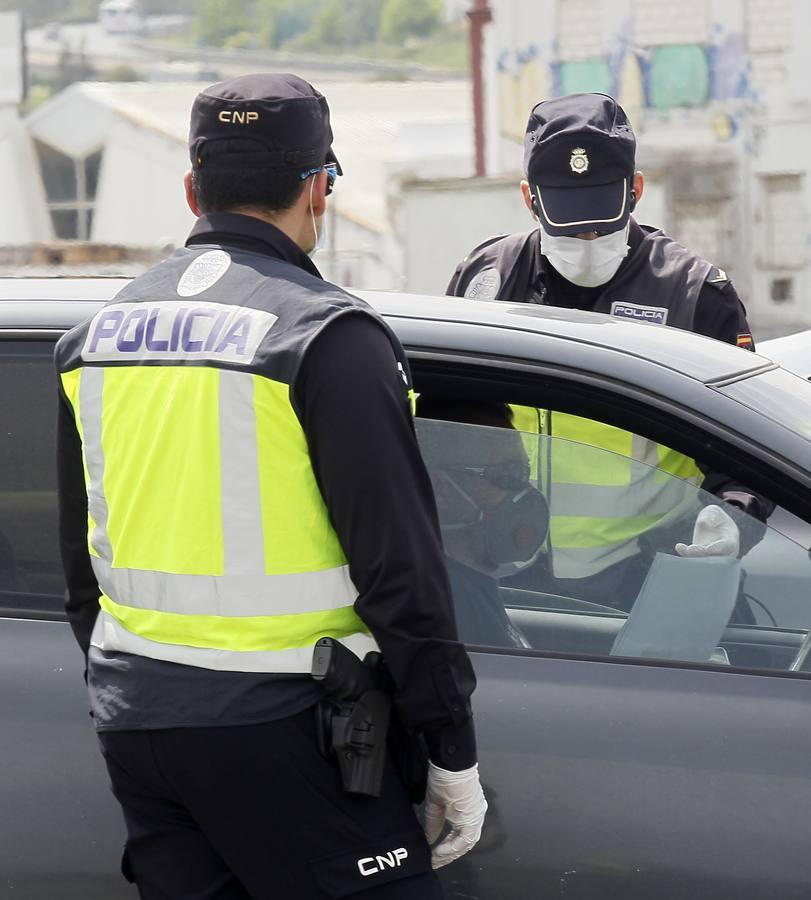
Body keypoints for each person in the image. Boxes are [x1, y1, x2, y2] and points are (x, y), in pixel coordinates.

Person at [55, 73, 486, 900]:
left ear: (192, 188)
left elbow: (84, 571)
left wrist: (130, 689)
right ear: (317, 189)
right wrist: (450, 748)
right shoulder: (325, 336)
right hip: (288, 730)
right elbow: (403, 572)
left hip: (139, 721)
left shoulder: (93, 340)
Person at [447, 92, 772, 605]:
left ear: (636, 190)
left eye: (602, 218)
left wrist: (733, 518)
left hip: (649, 580)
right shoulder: (485, 282)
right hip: (507, 579)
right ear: (530, 199)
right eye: (570, 224)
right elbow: (445, 429)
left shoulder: (692, 295)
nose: (588, 237)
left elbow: (754, 440)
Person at [415, 398, 549, 650]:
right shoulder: (446, 612)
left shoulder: (470, 584)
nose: (523, 489)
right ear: (441, 488)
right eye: (507, 475)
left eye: (523, 470)